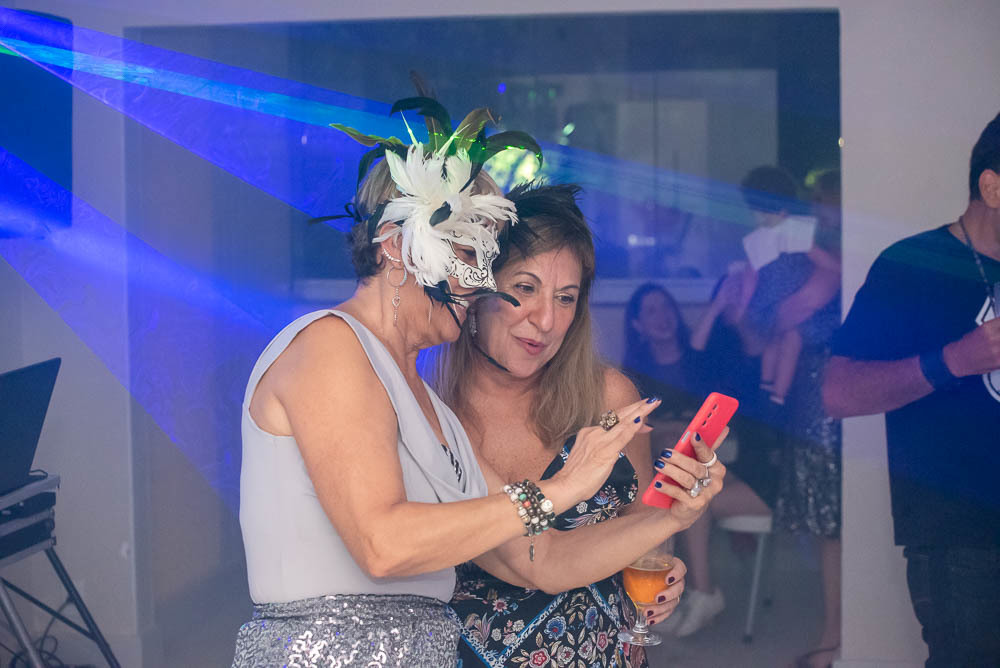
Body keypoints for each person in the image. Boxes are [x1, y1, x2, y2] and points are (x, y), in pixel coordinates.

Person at [230, 99, 664, 667]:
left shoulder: (424, 401)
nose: (481, 283)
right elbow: (383, 545)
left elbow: (539, 560)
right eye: (465, 253)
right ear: (395, 246)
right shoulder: (331, 346)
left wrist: (676, 513)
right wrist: (558, 490)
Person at [431, 184, 729, 668]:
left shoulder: (608, 398)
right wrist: (671, 520)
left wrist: (663, 563)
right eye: (525, 288)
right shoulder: (436, 414)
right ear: (477, 290)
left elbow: (644, 526)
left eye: (565, 298)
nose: (546, 319)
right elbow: (541, 560)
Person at [823, 111, 1000, 667]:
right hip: (963, 535)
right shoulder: (912, 267)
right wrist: (954, 360)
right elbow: (838, 393)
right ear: (993, 188)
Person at [624, 282, 769, 638]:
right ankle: (679, 592)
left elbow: (720, 418)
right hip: (667, 474)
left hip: (721, 464)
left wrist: (676, 430)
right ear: (638, 324)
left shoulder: (700, 360)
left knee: (681, 483)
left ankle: (690, 592)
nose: (663, 316)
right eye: (651, 311)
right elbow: (634, 425)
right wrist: (674, 428)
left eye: (666, 307)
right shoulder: (632, 377)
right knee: (672, 477)